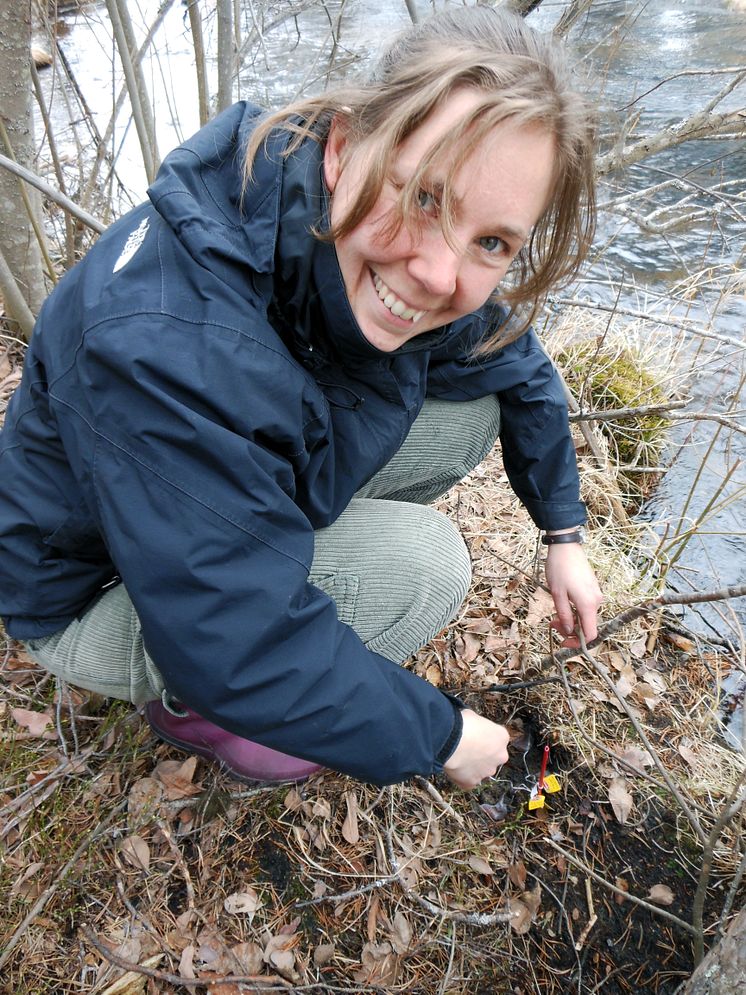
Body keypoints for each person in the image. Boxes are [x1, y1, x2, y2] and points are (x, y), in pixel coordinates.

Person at [0, 6, 602, 789]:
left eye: (492, 242)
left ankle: (269, 569)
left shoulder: (314, 215)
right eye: (425, 196)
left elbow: (511, 359)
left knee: (475, 407)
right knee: (428, 566)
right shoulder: (172, 344)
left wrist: (565, 530)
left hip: (186, 496)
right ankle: (194, 710)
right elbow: (236, 645)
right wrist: (445, 735)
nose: (441, 274)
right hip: (87, 585)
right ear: (347, 146)